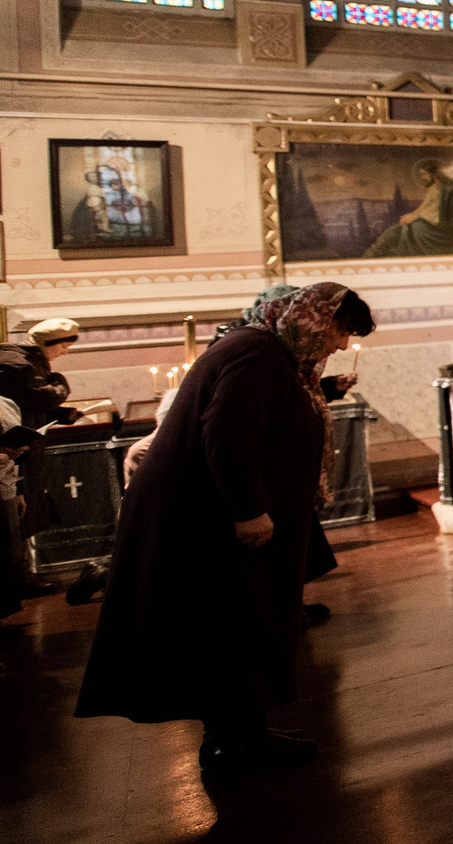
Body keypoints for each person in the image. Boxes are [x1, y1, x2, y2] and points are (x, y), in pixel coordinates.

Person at [75, 286, 375, 778]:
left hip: (214, 518)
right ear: (315, 319)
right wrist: (249, 509)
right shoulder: (256, 354)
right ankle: (234, 744)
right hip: (213, 519)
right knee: (234, 624)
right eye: (342, 330)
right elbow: (228, 435)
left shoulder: (269, 352)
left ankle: (242, 733)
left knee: (234, 626)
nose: (342, 344)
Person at [0, 318, 83, 626]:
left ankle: (21, 573)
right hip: (10, 452)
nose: (65, 353)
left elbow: (33, 403)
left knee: (20, 508)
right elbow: (42, 396)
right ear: (49, 345)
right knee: (13, 514)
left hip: (21, 448)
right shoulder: (18, 365)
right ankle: (18, 577)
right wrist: (59, 385)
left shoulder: (26, 363)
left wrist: (60, 415)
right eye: (63, 346)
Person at [364, 157, 453, 256]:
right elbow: (425, 207)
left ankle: (388, 251)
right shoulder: (432, 189)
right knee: (400, 227)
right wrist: (411, 215)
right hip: (431, 220)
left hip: (443, 225)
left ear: (433, 174)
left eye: (424, 174)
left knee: (415, 227)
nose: (422, 178)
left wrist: (416, 217)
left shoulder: (449, 189)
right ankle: (377, 250)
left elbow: (441, 211)